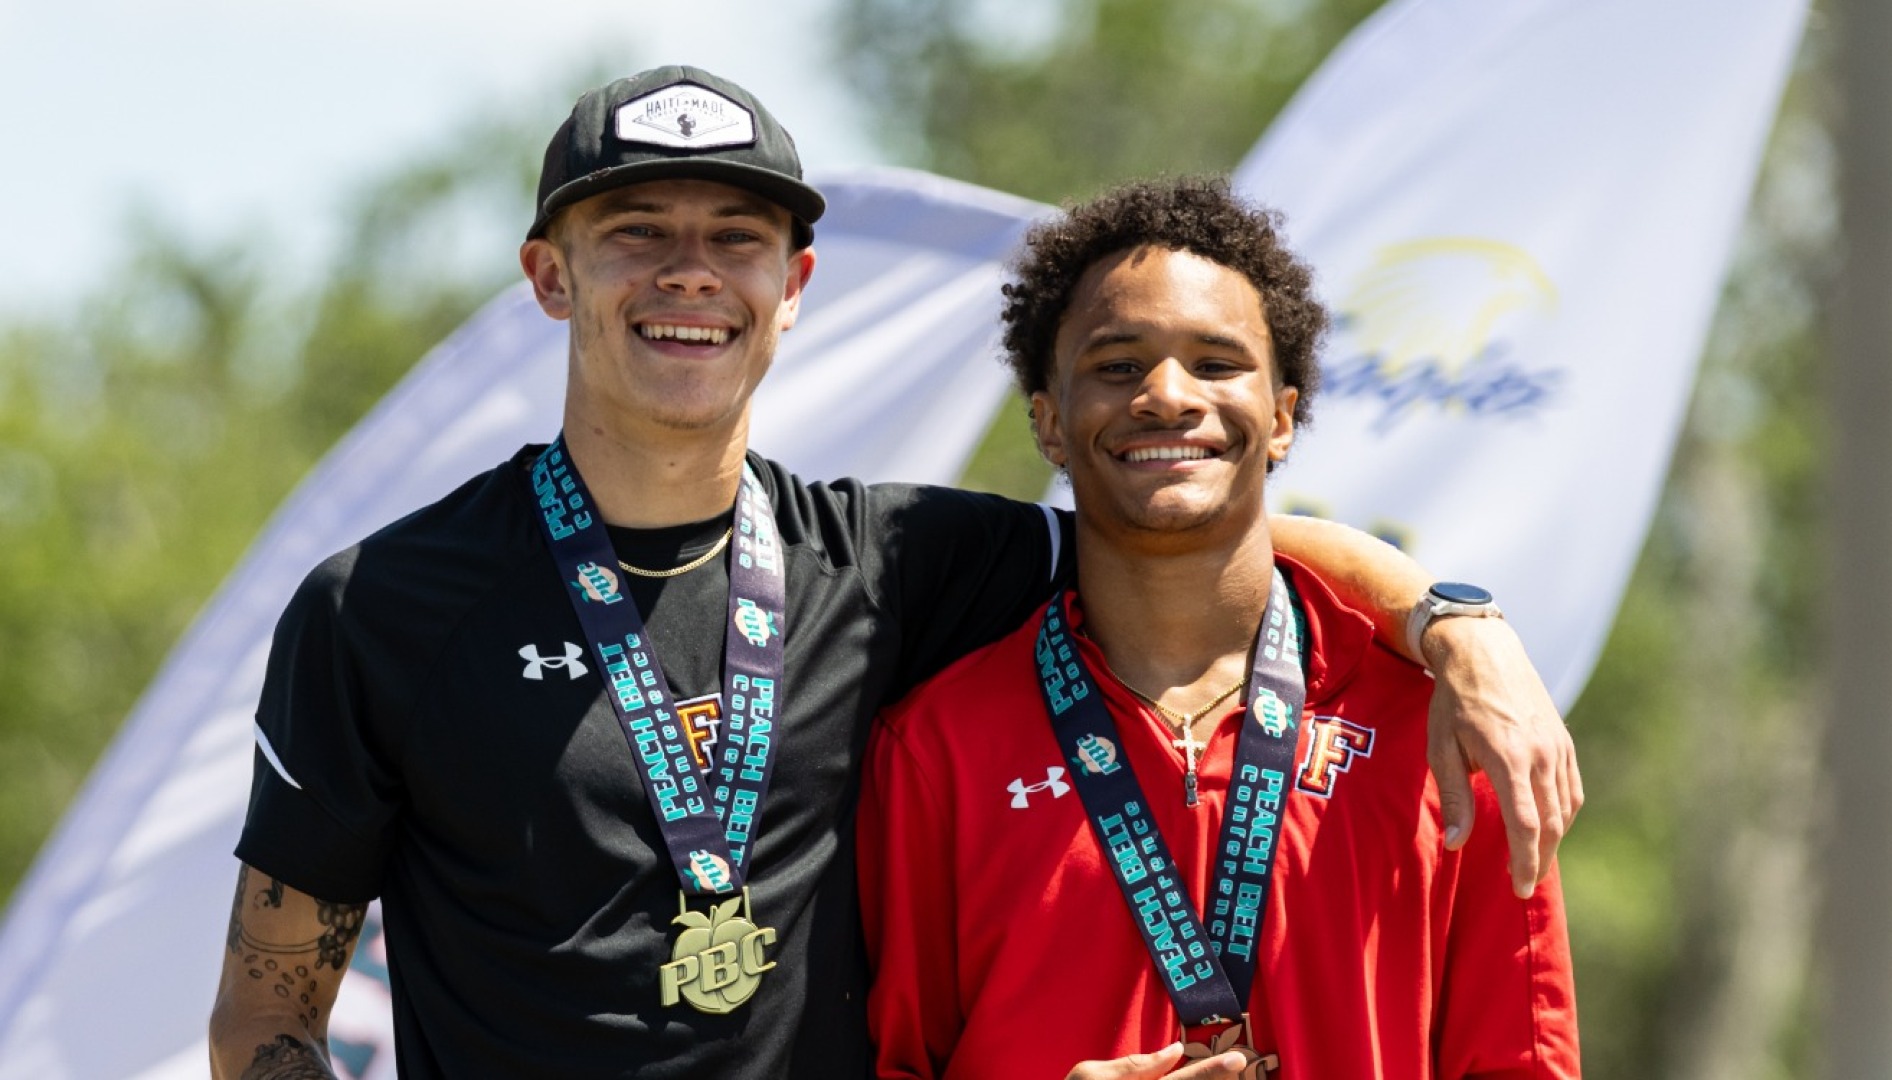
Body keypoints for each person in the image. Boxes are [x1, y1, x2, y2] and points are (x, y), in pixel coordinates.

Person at [208, 67, 1578, 1079]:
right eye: (637, 230)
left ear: (794, 282)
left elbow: (1184, 515)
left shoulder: (896, 565)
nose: (691, 274)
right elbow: (269, 1017)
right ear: (549, 274)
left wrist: (1456, 623)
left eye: (735, 238)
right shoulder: (378, 609)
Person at [859, 178, 1580, 1079]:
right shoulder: (936, 747)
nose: (1166, 396)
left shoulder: (1447, 735)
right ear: (1048, 420)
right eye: (1117, 365)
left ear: (1282, 416)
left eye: (1215, 363)